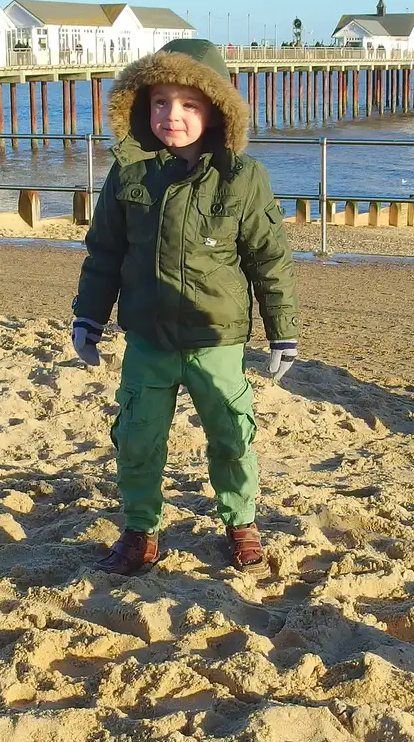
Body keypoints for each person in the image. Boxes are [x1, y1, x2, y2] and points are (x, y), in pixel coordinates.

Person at [72, 38, 299, 577]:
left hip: (217, 338)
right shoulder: (128, 174)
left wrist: (281, 332)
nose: (172, 116)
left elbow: (270, 259)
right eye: (159, 103)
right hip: (147, 339)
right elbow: (104, 251)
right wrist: (89, 316)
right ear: (141, 106)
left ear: (216, 110)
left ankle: (241, 522)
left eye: (189, 105)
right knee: (137, 437)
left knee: (231, 435)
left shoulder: (244, 179)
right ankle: (139, 530)